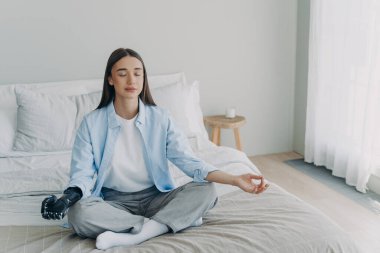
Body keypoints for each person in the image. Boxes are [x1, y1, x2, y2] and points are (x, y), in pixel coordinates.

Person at [41, 48, 269, 250]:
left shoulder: (161, 118)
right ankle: (170, 222)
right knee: (78, 213)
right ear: (110, 79)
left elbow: (189, 162)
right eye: (122, 73)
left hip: (156, 196)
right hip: (113, 202)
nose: (131, 79)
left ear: (143, 78)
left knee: (206, 191)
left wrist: (234, 179)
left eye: (138, 73)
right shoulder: (92, 123)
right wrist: (67, 198)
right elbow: (82, 173)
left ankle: (134, 236)